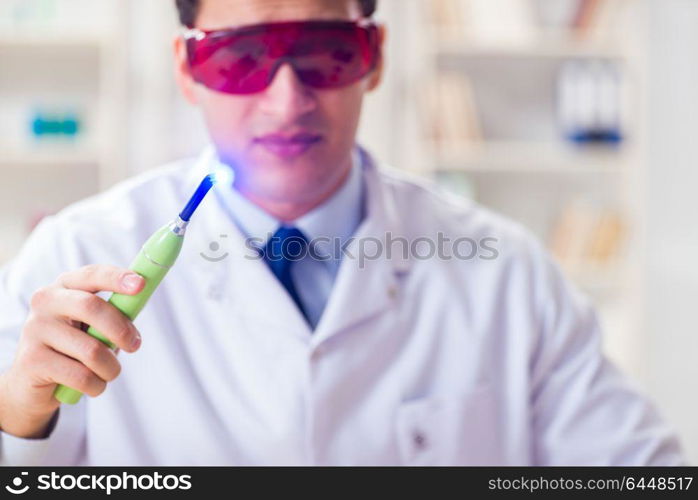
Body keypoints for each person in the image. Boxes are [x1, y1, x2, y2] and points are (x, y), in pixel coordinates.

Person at [0, 0, 685, 466]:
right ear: (186, 69)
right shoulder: (76, 254)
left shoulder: (506, 271)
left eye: (326, 53)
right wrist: (21, 414)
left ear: (375, 54)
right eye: (241, 58)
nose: (287, 99)